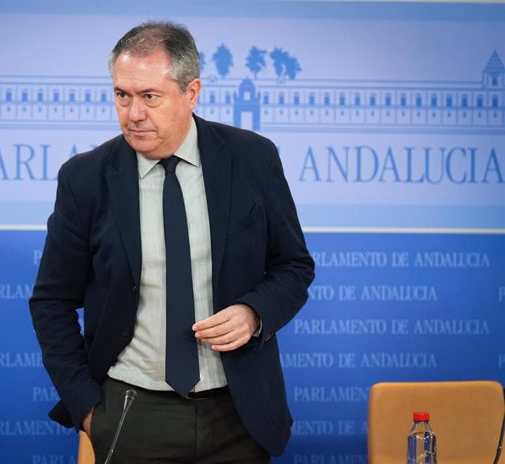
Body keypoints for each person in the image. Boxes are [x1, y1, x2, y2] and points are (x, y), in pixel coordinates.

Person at [30, 21, 314, 463]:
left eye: (149, 96)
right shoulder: (85, 178)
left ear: (192, 92)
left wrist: (255, 313)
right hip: (130, 411)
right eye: (122, 95)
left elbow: (294, 268)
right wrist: (88, 409)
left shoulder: (253, 158)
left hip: (239, 414)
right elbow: (51, 301)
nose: (133, 113)